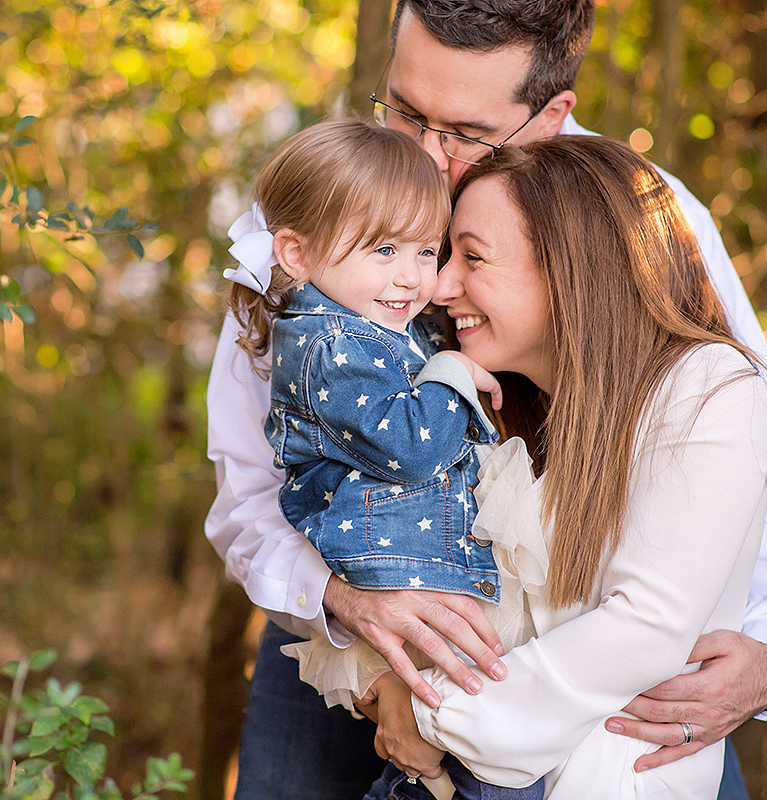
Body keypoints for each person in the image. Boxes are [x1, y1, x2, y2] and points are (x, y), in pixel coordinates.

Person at [205, 2, 767, 797]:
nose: (425, 154)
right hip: (341, 636)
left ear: (552, 113)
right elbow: (250, 488)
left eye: (461, 133)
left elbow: (745, 454)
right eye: (405, 111)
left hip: (584, 655)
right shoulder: (316, 212)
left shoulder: (645, 217)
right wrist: (348, 607)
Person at [360, 134, 767, 800]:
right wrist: (389, 692)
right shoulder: (503, 407)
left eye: (473, 258)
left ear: (572, 268)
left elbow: (645, 624)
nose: (439, 286)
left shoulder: (709, 388)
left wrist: (433, 714)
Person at [222, 118, 545, 800]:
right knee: (470, 747)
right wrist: (451, 377)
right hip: (390, 567)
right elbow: (407, 448)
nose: (412, 276)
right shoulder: (329, 344)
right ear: (296, 254)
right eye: (386, 250)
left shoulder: (375, 319)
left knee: (474, 743)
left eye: (427, 252)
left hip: (425, 563)